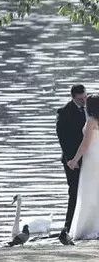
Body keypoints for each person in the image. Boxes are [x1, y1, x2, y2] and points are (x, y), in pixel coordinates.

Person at [66, 94, 99, 239]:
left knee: (88, 191)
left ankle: (87, 227)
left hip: (92, 157)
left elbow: (85, 144)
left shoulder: (91, 121)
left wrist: (74, 160)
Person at [56, 84, 87, 231]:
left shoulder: (90, 109)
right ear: (73, 96)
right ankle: (68, 226)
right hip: (72, 158)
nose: (83, 101)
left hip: (89, 157)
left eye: (85, 97)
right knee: (74, 191)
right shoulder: (64, 112)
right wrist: (71, 159)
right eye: (80, 99)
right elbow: (62, 138)